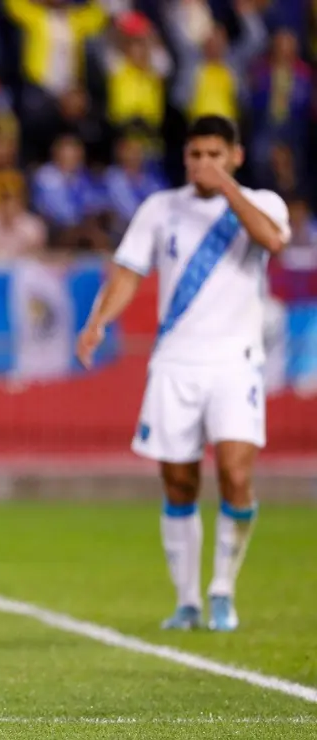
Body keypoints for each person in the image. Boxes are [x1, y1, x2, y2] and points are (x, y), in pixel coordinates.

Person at [77, 115, 290, 633]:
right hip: (175, 361)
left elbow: (274, 241)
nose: (204, 164)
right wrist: (99, 321)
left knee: (236, 476)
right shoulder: (160, 208)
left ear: (235, 157)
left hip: (235, 361)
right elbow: (129, 270)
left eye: (215, 155)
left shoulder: (261, 202)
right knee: (178, 481)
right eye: (196, 155)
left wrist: (228, 192)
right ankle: (188, 599)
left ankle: (223, 590)